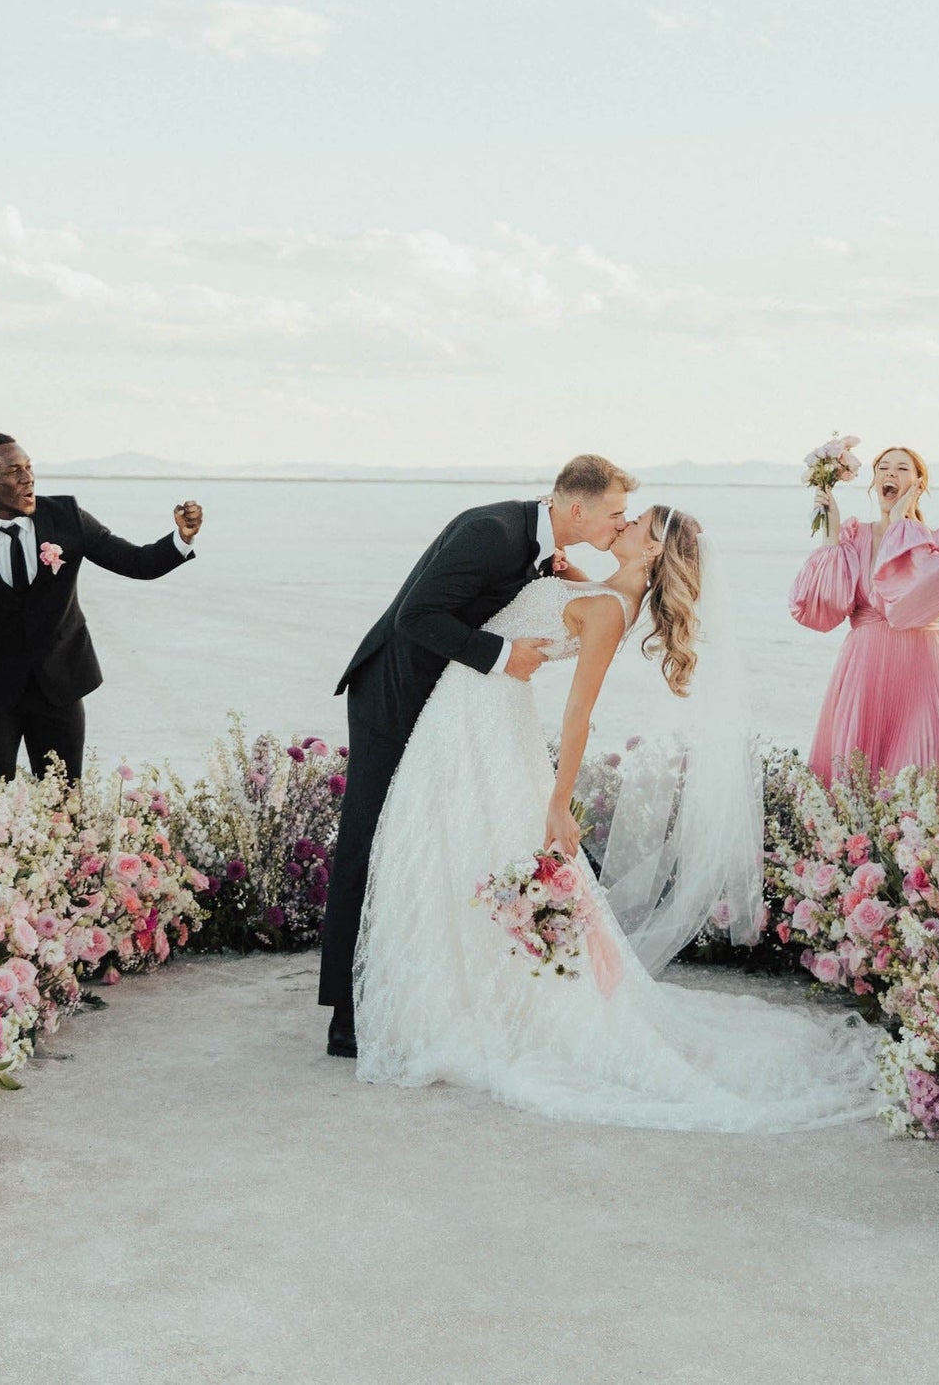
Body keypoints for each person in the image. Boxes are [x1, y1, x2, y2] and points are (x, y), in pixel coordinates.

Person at [353, 502, 883, 1129]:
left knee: (465, 848)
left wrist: (558, 802)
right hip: (473, 714)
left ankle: (465, 1004)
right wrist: (563, 572)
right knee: (458, 849)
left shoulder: (608, 609)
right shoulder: (605, 592)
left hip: (484, 722)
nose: (624, 523)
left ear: (653, 550)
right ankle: (450, 994)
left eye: (637, 524)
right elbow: (554, 608)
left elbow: (578, 715)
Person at [320, 455, 633, 1058]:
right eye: (615, 513)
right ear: (577, 509)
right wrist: (500, 656)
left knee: (422, 843)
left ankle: (406, 982)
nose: (620, 524)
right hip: (393, 695)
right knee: (370, 840)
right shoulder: (493, 532)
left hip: (446, 709)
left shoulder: (537, 544)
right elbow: (417, 616)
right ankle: (346, 1014)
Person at [0, 433, 200, 791]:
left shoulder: (67, 516)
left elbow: (136, 562)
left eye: (28, 467)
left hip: (61, 685)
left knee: (64, 803)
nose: (28, 479)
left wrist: (181, 538)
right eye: (14, 471)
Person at [790, 445, 939, 795]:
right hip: (866, 664)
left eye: (902, 469)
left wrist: (903, 524)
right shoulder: (854, 535)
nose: (891, 474)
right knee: (855, 777)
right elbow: (822, 607)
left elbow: (909, 605)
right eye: (883, 468)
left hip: (926, 669)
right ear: (873, 481)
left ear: (919, 483)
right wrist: (831, 535)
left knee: (922, 772)